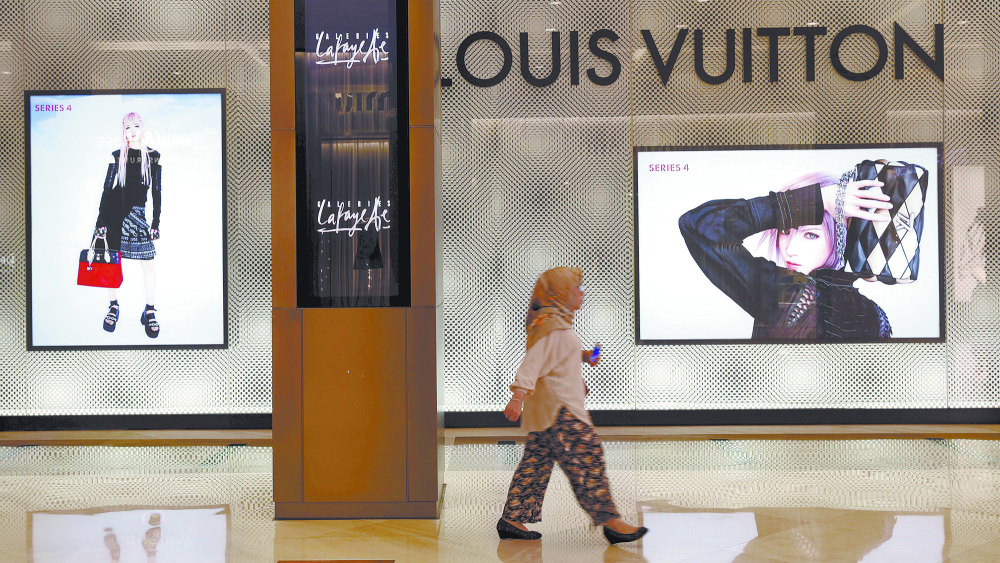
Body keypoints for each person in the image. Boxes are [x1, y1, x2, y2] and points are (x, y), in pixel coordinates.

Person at [497, 267, 648, 545]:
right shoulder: (552, 327)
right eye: (576, 288)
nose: (582, 293)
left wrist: (584, 356)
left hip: (550, 411)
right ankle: (610, 521)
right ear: (560, 293)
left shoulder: (555, 324)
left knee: (535, 465)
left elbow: (557, 355)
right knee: (588, 456)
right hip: (560, 411)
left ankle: (511, 519)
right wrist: (517, 396)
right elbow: (533, 363)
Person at [679, 173, 893, 340]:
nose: (790, 249)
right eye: (785, 231)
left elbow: (700, 226)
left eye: (811, 234)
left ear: (841, 238)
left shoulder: (790, 295)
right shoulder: (877, 316)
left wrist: (814, 200)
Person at [94, 112, 162, 338]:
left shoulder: (153, 157)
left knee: (149, 266)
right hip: (114, 217)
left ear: (143, 128)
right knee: (110, 265)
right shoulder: (117, 156)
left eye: (136, 125)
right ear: (122, 132)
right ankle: (113, 306)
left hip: (138, 216)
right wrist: (101, 222)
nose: (131, 131)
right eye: (127, 127)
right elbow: (106, 190)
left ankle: (149, 310)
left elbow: (156, 192)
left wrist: (155, 222)